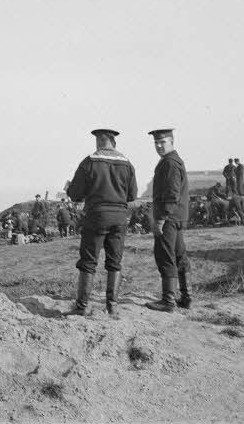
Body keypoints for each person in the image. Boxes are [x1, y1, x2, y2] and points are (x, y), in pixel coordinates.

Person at [65, 128, 137, 316]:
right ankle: (112, 306)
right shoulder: (127, 163)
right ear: (114, 143)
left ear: (98, 142)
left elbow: (75, 194)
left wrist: (70, 189)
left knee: (88, 262)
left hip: (96, 216)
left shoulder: (89, 162)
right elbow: (132, 195)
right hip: (120, 217)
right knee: (115, 262)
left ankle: (82, 306)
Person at [146, 128, 190, 312]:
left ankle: (168, 301)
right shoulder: (173, 160)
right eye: (156, 143)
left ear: (172, 142)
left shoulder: (169, 163)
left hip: (169, 217)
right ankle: (186, 297)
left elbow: (172, 194)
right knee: (179, 256)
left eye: (162, 142)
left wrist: (161, 219)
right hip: (177, 216)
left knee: (165, 256)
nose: (158, 146)